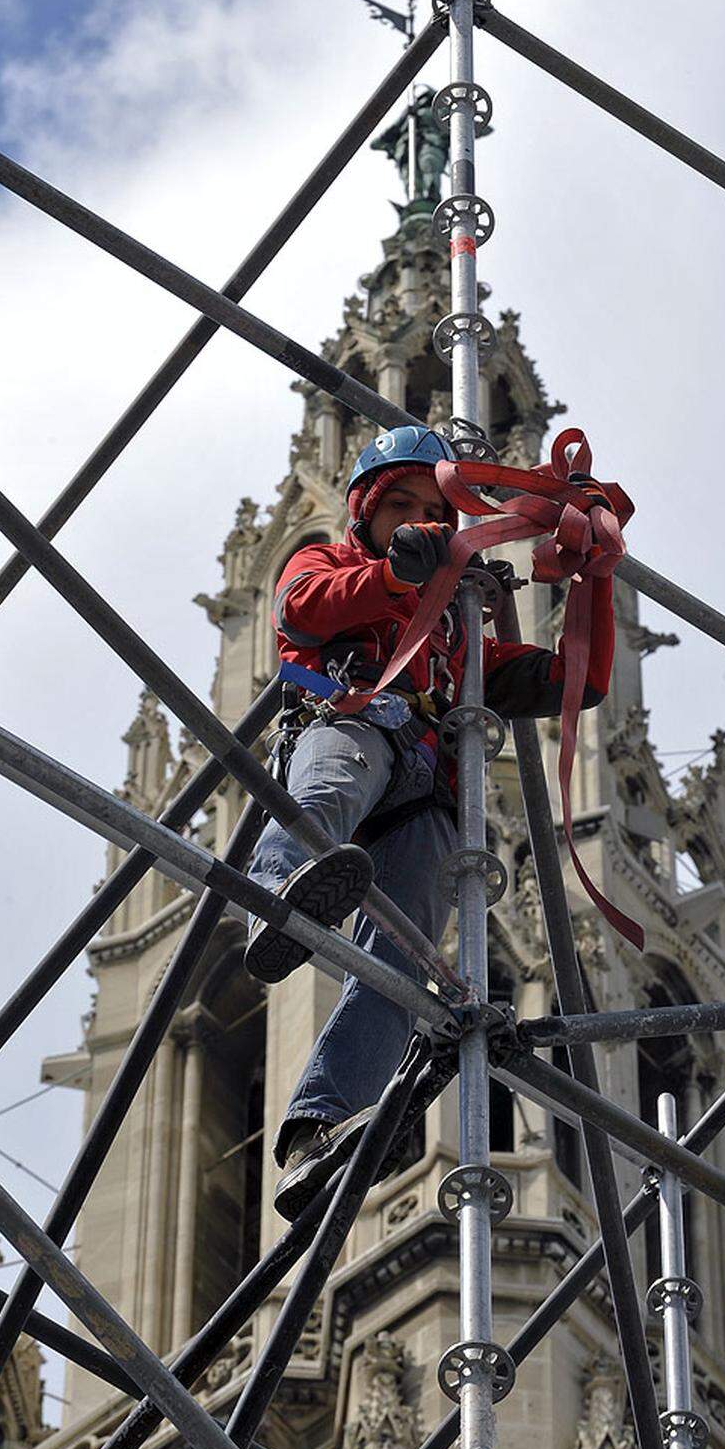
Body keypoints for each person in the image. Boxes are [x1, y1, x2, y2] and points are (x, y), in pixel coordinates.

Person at [245, 424, 609, 1219]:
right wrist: (395, 576)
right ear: (366, 513)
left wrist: (594, 582)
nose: (416, 519)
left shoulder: (464, 637)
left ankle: (321, 1126)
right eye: (399, 505)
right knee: (330, 783)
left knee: (405, 955)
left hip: (432, 787)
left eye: (432, 510)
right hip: (353, 716)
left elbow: (579, 682)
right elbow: (301, 610)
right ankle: (280, 899)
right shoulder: (330, 562)